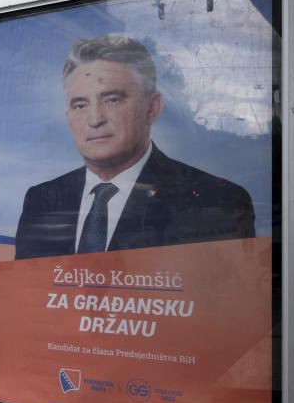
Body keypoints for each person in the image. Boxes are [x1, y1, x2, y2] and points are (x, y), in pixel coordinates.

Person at [15, 35, 256, 260]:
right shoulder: (42, 200)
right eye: (80, 105)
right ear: (67, 116)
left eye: (112, 100)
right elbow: (27, 296)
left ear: (152, 108)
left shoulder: (217, 201)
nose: (95, 119)